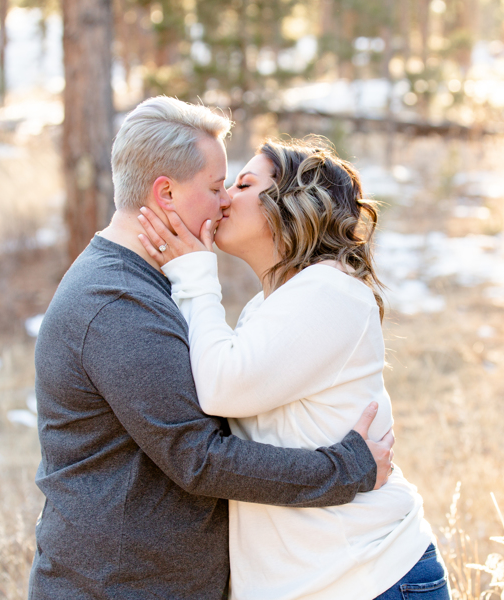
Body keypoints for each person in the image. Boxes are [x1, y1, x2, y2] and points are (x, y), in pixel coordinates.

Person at [27, 97, 396, 600]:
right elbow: (198, 458)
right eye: (216, 186)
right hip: (115, 588)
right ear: (167, 193)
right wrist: (344, 469)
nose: (224, 201)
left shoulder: (151, 285)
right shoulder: (114, 302)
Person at [137, 137, 451, 600]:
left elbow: (221, 386)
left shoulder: (330, 291)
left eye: (243, 184)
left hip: (368, 577)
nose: (224, 198)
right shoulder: (265, 309)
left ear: (293, 204)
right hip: (316, 583)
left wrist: (194, 274)